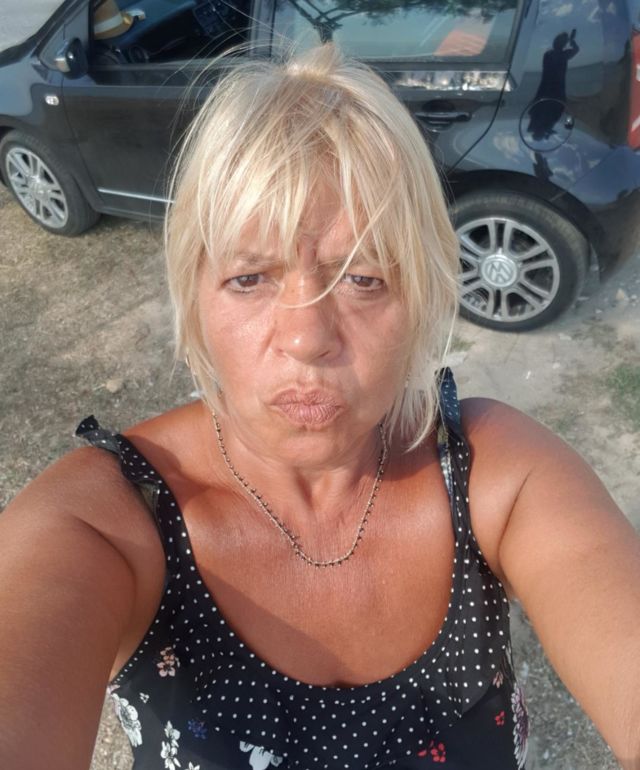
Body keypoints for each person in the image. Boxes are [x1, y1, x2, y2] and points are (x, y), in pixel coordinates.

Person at [1, 44, 639, 770]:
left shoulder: (496, 475)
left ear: (421, 297)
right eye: (249, 277)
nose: (307, 337)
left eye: (364, 278)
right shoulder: (106, 526)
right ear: (195, 297)